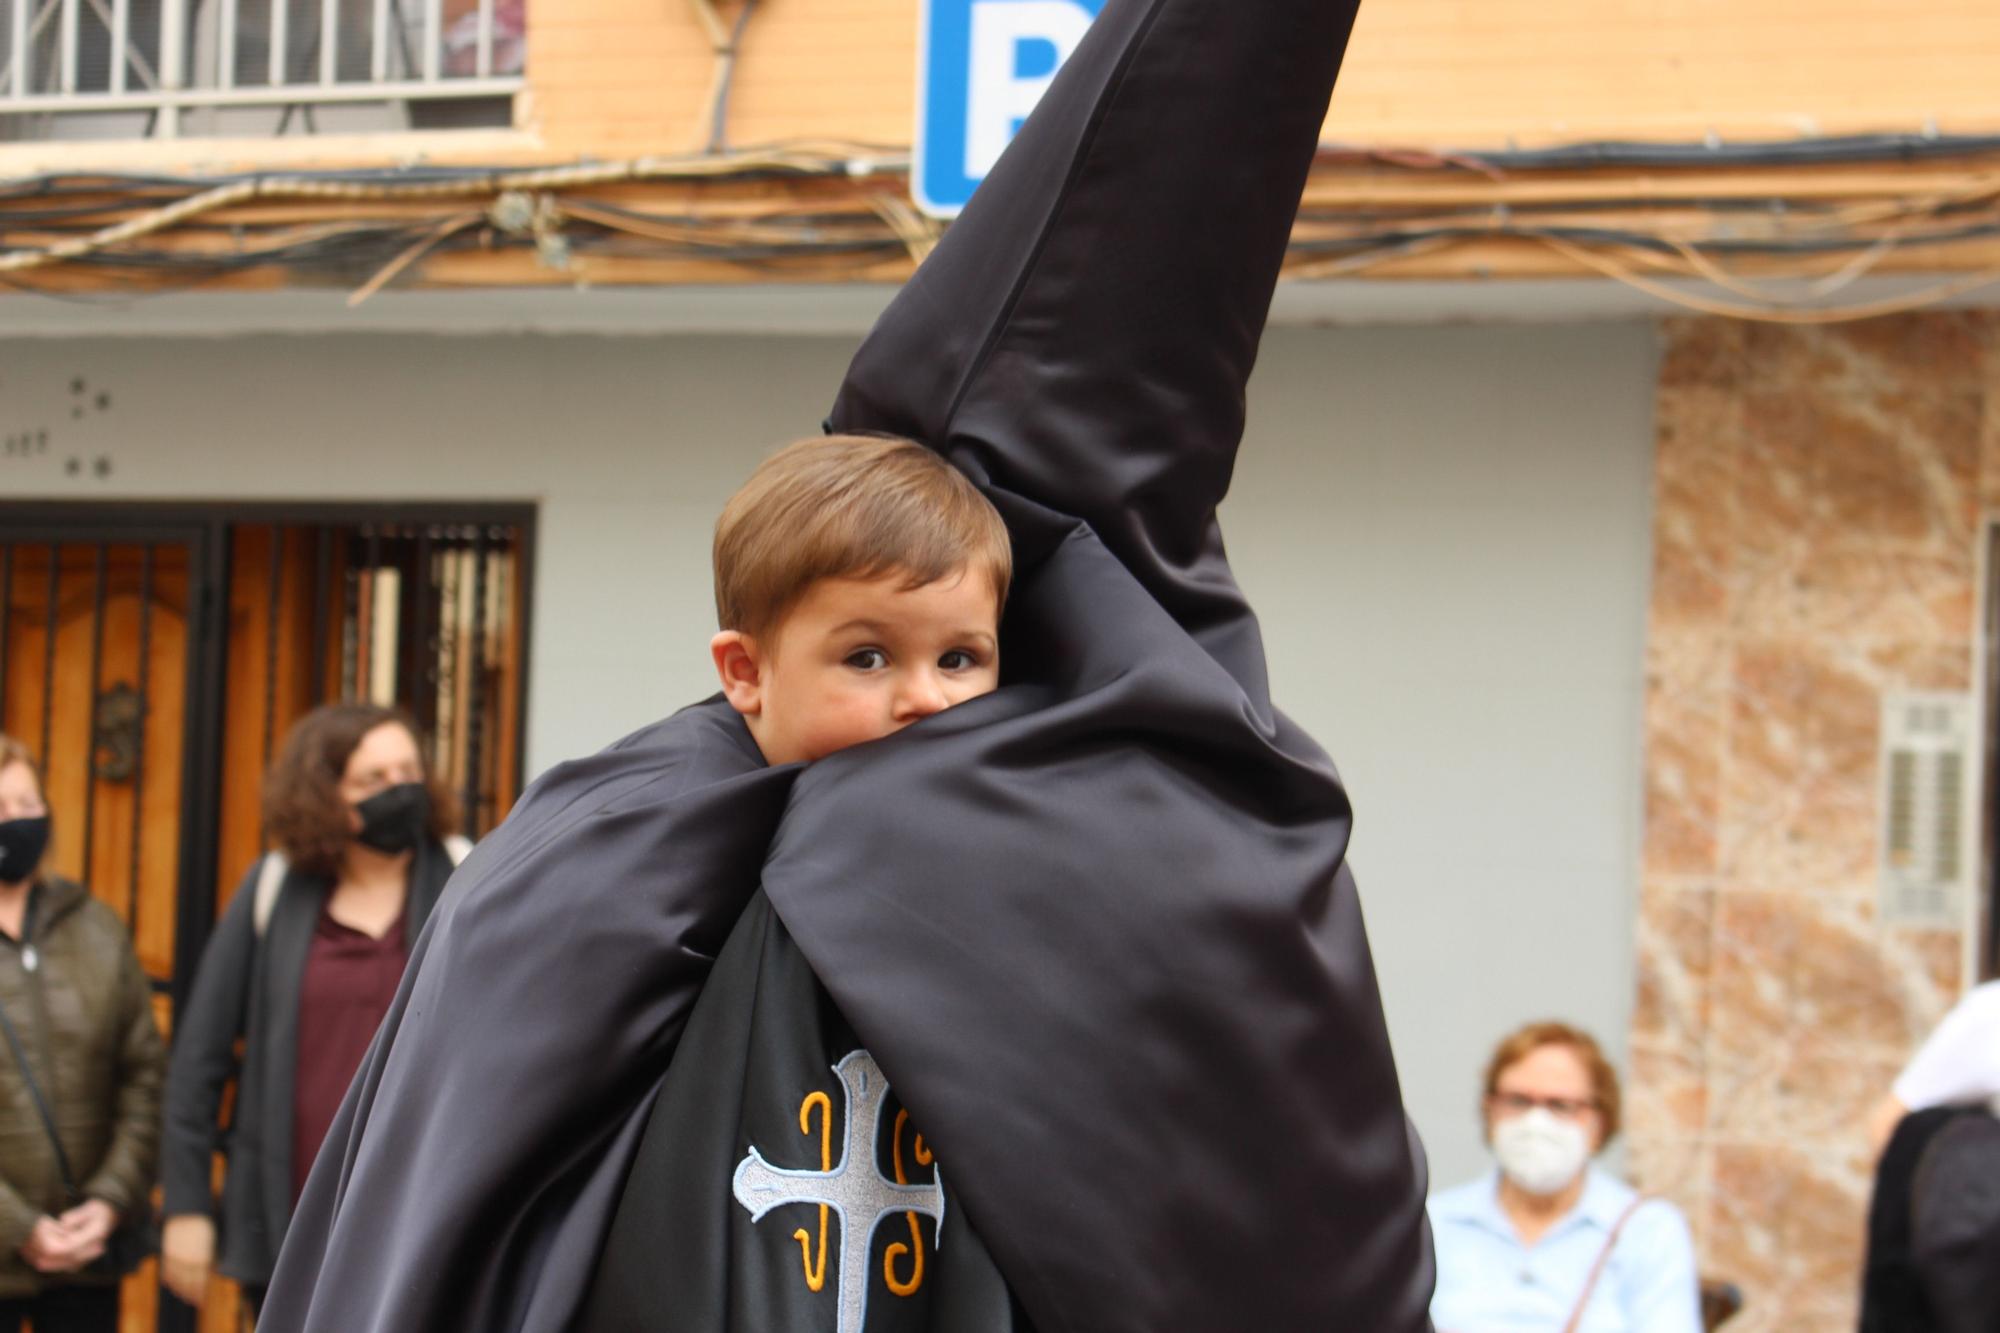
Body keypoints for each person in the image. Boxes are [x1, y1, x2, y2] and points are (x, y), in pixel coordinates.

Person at [264, 0, 1436, 1327]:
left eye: (964, 659)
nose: (925, 702)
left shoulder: (1117, 797)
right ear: (748, 665)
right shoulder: (614, 838)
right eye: (869, 655)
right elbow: (467, 1176)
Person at [158, 704, 466, 1315]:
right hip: (290, 1217)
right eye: (371, 780)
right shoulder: (274, 889)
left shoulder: (466, 877)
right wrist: (187, 1206)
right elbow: (199, 1060)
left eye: (408, 771)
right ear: (324, 795)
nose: (398, 791)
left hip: (420, 1212)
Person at [0, 736, 166, 1332]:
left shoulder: (94, 925)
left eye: (26, 805)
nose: (15, 823)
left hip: (87, 1257)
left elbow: (143, 1074)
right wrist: (16, 1227)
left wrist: (109, 1200)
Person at [1429, 1022, 1701, 1333]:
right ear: (1490, 1110)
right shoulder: (1435, 1222)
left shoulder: (1648, 1230)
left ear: (1599, 1122)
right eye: (1518, 1101)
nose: (1536, 1122)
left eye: (1560, 1106)